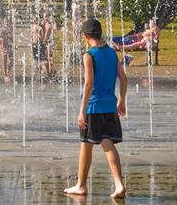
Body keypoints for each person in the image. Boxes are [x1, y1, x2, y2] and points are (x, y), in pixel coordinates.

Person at [64, 18, 127, 199]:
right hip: (110, 106)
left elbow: (89, 84)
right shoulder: (111, 53)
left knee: (86, 144)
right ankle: (119, 184)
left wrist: (82, 111)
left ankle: (81, 185)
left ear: (85, 36)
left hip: (93, 107)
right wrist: (122, 100)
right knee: (107, 143)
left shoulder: (89, 55)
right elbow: (123, 78)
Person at [0, 17, 14, 81]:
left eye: (7, 21)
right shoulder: (2, 29)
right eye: (5, 22)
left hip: (9, 46)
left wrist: (13, 44)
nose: (7, 23)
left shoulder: (10, 29)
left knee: (11, 60)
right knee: (4, 61)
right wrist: (0, 46)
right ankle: (5, 75)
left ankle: (8, 72)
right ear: (4, 23)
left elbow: (11, 37)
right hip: (4, 46)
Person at [42, 13, 55, 80]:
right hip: (46, 42)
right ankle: (49, 73)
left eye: (47, 16)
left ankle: (50, 73)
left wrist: (43, 41)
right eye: (44, 17)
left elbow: (47, 35)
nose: (45, 18)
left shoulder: (49, 25)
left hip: (49, 42)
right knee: (45, 59)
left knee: (49, 58)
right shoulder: (44, 24)